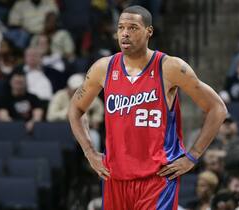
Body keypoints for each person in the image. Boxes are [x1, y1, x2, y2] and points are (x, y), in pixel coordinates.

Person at [68, 5, 227, 209]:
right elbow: (76, 109)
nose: (125, 33)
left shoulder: (170, 67)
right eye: (121, 27)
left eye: (133, 27)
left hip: (157, 179)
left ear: (148, 31)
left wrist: (192, 156)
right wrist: (90, 152)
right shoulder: (103, 68)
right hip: (115, 177)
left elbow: (217, 108)